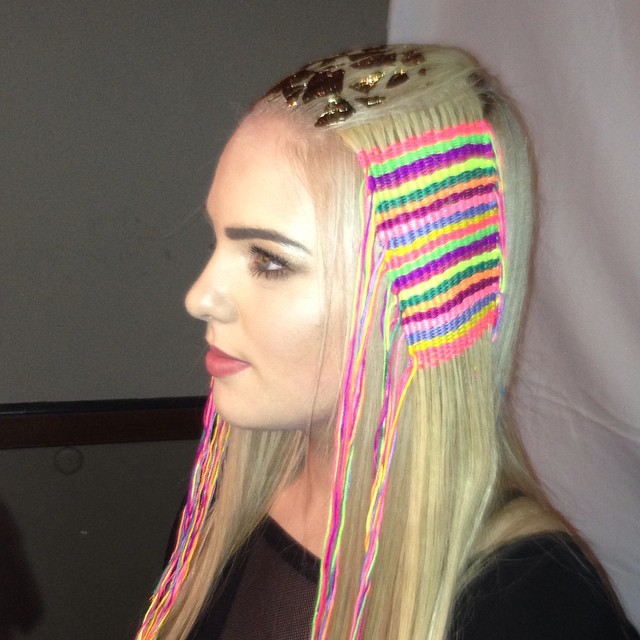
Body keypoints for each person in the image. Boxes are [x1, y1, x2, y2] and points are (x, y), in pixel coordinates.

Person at [136, 44, 639, 640]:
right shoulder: (223, 507)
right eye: (217, 241)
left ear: (424, 304)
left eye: (269, 260)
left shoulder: (531, 606)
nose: (200, 296)